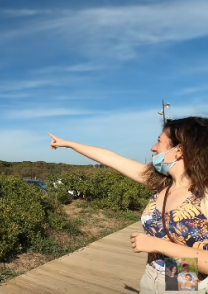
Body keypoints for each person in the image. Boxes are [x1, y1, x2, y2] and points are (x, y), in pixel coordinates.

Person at [48, 116, 208, 294]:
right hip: (151, 277)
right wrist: (69, 144)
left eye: (159, 141)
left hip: (186, 281)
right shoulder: (161, 183)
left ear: (179, 150)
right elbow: (110, 158)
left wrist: (157, 245)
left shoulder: (203, 194)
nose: (153, 148)